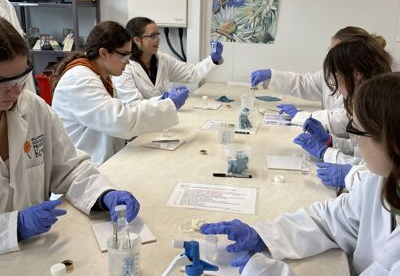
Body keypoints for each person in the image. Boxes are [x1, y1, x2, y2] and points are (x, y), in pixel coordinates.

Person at [201, 72, 400, 276]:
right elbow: (330, 220)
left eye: (358, 132)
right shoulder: (382, 181)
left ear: (392, 141)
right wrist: (264, 235)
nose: (354, 144)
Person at [0, 13, 140, 265]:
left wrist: (104, 194)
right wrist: (12, 227)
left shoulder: (33, 108)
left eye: (21, 76)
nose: (15, 91)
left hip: (36, 256)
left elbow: (70, 169)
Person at [52, 21, 188, 166]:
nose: (127, 62)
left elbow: (124, 108)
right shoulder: (79, 80)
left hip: (102, 160)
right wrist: (168, 105)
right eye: (124, 55)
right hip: (81, 169)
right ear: (103, 53)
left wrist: (160, 101)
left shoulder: (101, 76)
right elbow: (119, 120)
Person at [294, 34, 392, 189]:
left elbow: (380, 171)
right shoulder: (369, 100)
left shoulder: (382, 107)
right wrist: (330, 142)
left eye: (337, 76)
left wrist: (328, 155)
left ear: (357, 75)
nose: (334, 84)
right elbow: (361, 150)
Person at [250, 26, 386, 129]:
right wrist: (273, 76)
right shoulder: (335, 73)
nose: (330, 56)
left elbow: (344, 119)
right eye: (330, 50)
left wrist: (301, 116)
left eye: (334, 51)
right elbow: (306, 83)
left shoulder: (371, 94)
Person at [112, 16, 223, 104]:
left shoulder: (162, 59)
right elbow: (132, 104)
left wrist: (212, 59)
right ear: (137, 40)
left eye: (158, 35)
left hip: (162, 119)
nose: (158, 39)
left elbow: (192, 73)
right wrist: (164, 99)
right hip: (138, 123)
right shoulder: (124, 67)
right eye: (153, 36)